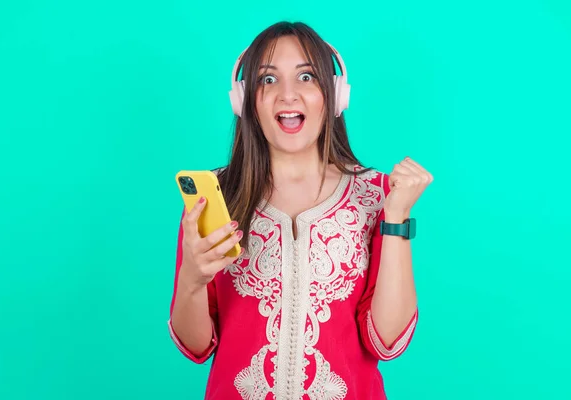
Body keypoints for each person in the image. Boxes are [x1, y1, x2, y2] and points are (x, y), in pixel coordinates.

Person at [167, 21, 433, 400]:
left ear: (335, 94)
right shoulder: (216, 196)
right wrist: (192, 280)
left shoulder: (376, 196)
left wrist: (396, 220)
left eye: (306, 76)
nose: (287, 95)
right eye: (268, 80)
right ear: (244, 100)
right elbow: (196, 347)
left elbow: (387, 342)